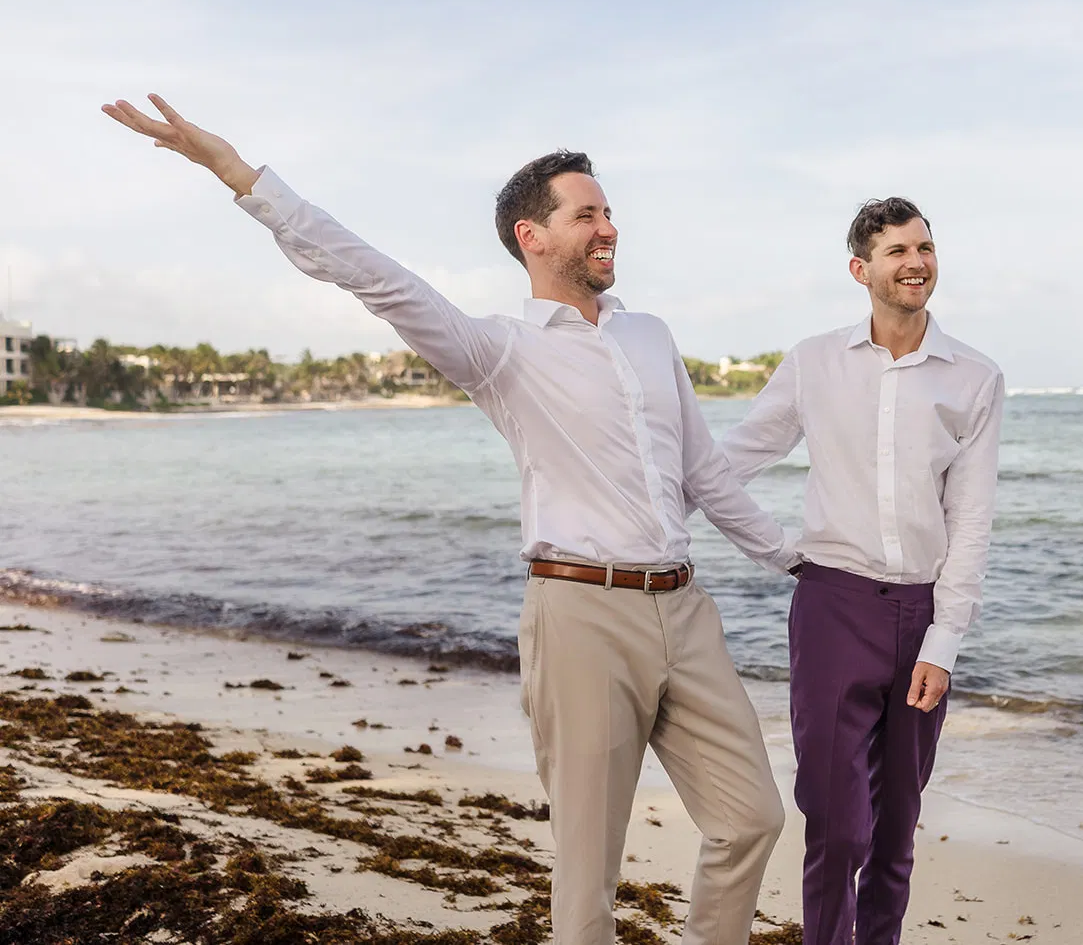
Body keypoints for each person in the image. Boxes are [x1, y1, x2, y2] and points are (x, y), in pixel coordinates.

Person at [102, 95, 794, 945]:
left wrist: (798, 563)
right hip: (581, 615)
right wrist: (237, 174)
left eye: (610, 211)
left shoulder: (652, 336)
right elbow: (374, 276)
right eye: (587, 214)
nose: (608, 227)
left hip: (686, 612)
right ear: (530, 236)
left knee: (753, 815)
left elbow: (708, 476)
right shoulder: (500, 350)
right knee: (587, 880)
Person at [716, 197, 1004, 945]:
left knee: (896, 829)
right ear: (860, 269)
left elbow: (971, 518)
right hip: (832, 607)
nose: (917, 262)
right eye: (898, 250)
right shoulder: (814, 362)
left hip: (920, 619)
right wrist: (779, 549)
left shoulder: (974, 377)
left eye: (926, 247)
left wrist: (945, 640)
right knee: (837, 823)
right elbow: (730, 463)